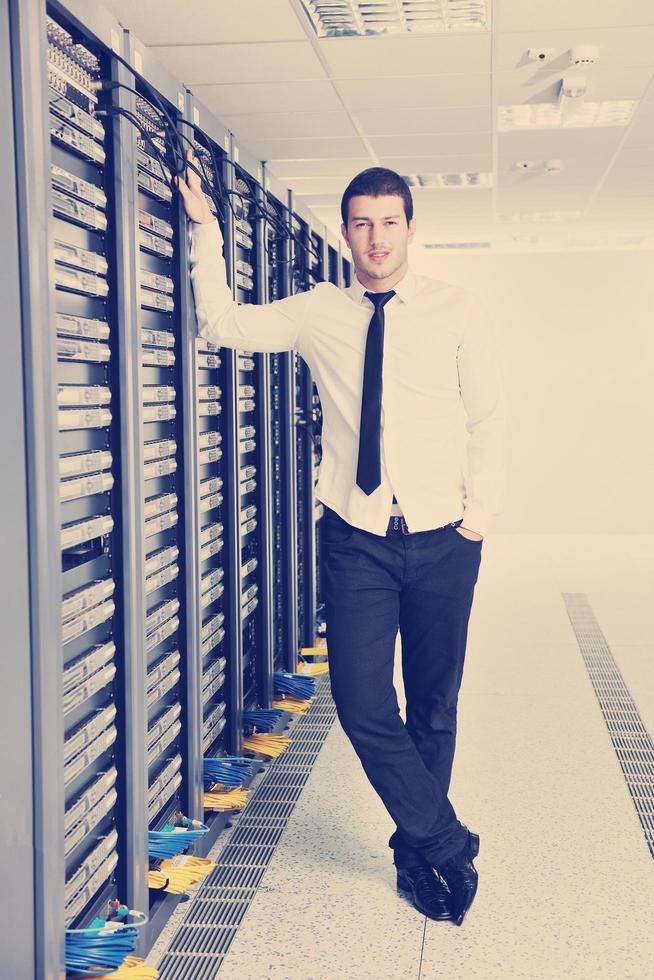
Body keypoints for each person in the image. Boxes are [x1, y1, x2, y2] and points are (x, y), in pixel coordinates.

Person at [176, 149, 508, 926]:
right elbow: (221, 324)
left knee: (434, 702)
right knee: (362, 702)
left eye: (389, 223)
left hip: (444, 537)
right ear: (346, 232)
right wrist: (204, 231)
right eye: (362, 224)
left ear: (410, 229)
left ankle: (417, 855)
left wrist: (481, 510)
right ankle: (445, 838)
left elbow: (489, 415)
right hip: (356, 537)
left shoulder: (456, 309)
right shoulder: (319, 309)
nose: (376, 238)